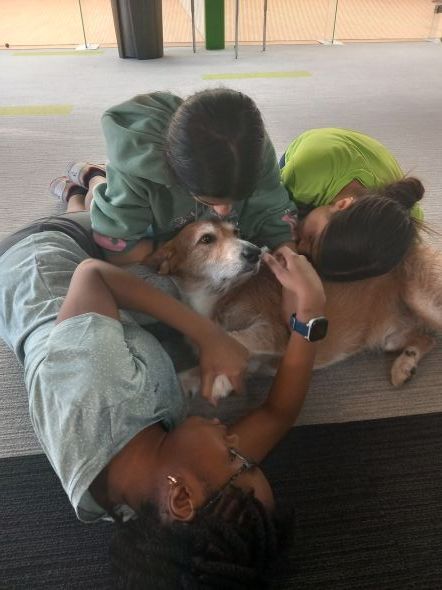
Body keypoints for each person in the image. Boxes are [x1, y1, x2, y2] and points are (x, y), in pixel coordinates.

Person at [0, 188, 326, 587]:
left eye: (235, 459)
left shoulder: (102, 396)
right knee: (179, 270)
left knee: (177, 256)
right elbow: (278, 415)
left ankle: (87, 188)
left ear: (182, 499)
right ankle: (80, 193)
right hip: (104, 322)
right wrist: (310, 312)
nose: (236, 441)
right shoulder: (150, 495)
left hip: (41, 256)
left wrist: (210, 336)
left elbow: (92, 275)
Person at [57, 88, 297, 267]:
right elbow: (119, 250)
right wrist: (179, 247)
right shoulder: (137, 172)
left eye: (236, 198)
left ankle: (92, 174)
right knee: (93, 206)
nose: (224, 211)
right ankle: (90, 182)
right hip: (147, 217)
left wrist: (287, 251)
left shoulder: (252, 150)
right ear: (173, 171)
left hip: (189, 225)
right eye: (208, 200)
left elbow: (273, 207)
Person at [279, 128, 425, 281]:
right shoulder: (304, 175)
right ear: (342, 204)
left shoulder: (404, 216)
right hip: (320, 152)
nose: (300, 247)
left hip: (373, 160)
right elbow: (269, 201)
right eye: (311, 238)